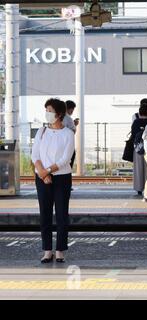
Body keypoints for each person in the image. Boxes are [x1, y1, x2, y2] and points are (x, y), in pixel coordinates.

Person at [31, 98, 75, 263]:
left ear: (59, 114)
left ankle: (60, 251)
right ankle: (47, 250)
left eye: (50, 110)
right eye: (46, 110)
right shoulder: (41, 132)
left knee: (62, 214)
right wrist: (42, 173)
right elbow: (35, 155)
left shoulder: (68, 134)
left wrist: (47, 171)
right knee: (45, 214)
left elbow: (65, 159)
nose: (47, 113)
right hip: (42, 177)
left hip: (62, 178)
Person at [130, 104, 147, 196]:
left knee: (138, 168)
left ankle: (139, 188)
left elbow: (133, 135)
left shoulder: (136, 122)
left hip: (138, 148)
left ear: (139, 112)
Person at [63, 100, 78, 169]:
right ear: (69, 109)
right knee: (68, 165)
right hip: (68, 145)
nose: (72, 112)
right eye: (72, 110)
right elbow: (72, 132)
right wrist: (75, 126)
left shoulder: (59, 117)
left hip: (61, 145)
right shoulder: (68, 118)